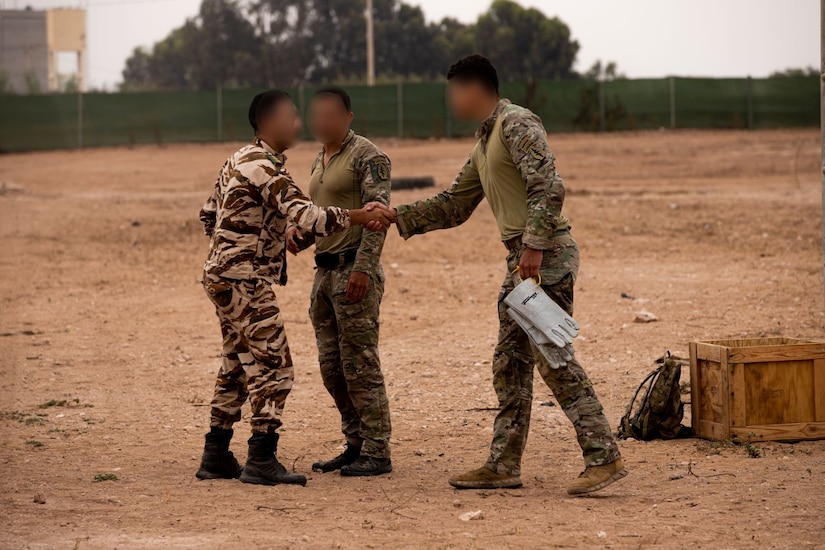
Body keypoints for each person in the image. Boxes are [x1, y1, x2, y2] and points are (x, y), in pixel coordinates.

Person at [372, 55, 627, 495]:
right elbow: (454, 204)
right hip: (524, 260)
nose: (451, 99)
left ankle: (604, 455)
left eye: (454, 90)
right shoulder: (483, 142)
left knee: (552, 356)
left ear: (475, 88)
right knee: (510, 364)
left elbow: (548, 185)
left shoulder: (515, 123)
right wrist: (396, 215)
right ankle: (503, 464)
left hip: (544, 257)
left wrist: (533, 246)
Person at [196, 89, 392, 487]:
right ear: (269, 122)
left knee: (237, 364)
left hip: (222, 276)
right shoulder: (266, 166)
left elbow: (208, 214)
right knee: (275, 367)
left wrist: (244, 242)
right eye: (292, 117)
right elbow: (308, 214)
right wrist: (359, 215)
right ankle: (261, 458)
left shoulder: (238, 158)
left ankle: (216, 453)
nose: (299, 124)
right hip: (244, 280)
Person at [286, 87, 393, 477]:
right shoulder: (319, 158)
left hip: (352, 271)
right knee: (332, 367)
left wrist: (364, 268)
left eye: (331, 115)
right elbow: (329, 215)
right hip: (324, 272)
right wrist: (304, 236)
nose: (323, 123)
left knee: (360, 364)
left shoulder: (368, 155)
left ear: (348, 117)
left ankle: (378, 451)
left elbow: (377, 217)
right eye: (316, 116)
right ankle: (355, 444)